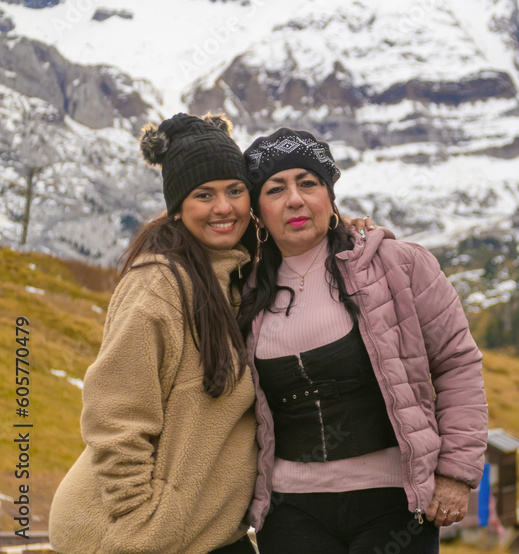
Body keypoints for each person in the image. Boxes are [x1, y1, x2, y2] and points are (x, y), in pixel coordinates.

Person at [49, 114, 375, 554]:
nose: (224, 208)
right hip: (128, 536)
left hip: (207, 535)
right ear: (178, 207)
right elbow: (115, 415)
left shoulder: (243, 277)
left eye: (235, 191)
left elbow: (302, 239)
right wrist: (142, 523)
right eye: (204, 195)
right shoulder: (158, 285)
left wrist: (341, 229)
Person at [238, 128, 488, 553]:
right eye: (275, 189)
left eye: (308, 183)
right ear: (258, 211)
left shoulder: (398, 265)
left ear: (330, 196)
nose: (294, 199)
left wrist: (456, 473)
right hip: (289, 513)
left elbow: (456, 364)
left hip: (394, 506)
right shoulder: (243, 292)